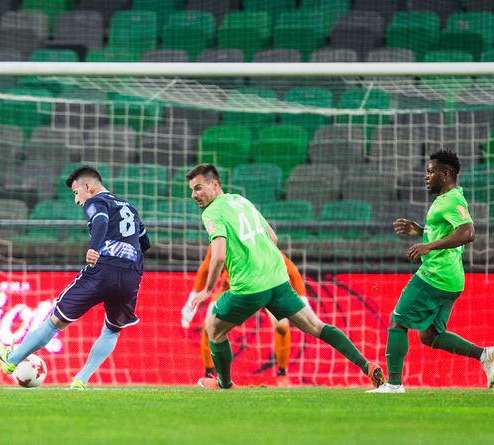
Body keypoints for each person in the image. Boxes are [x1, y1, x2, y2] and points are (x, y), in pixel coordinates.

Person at [186, 163, 384, 390]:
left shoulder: (211, 212)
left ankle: (225, 384)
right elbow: (273, 237)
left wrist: (206, 290)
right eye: (192, 190)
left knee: (213, 328)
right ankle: (366, 365)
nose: (194, 195)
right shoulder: (241, 200)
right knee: (316, 326)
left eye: (199, 188)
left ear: (215, 184)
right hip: (278, 280)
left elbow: (218, 256)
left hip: (249, 288)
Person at [0, 165, 150, 390]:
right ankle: (81, 379)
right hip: (131, 275)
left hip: (102, 268)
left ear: (88, 186)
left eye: (76, 193)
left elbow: (101, 221)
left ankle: (11, 360)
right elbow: (145, 243)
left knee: (55, 321)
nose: (77, 200)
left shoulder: (96, 201)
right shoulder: (130, 208)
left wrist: (95, 247)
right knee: (112, 329)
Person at [369, 150, 494, 393]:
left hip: (434, 275)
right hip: (451, 280)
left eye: (430, 172)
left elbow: (467, 233)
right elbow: (447, 230)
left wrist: (428, 245)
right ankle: (485, 355)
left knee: (398, 321)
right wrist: (421, 231)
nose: (426, 176)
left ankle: (393, 384)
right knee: (430, 336)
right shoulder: (447, 198)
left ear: (446, 173)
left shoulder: (452, 200)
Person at [182, 246, 308, 386]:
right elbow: (205, 269)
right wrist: (190, 302)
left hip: (265, 289)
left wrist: (304, 304)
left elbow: (292, 272)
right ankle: (209, 374)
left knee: (282, 327)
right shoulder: (220, 244)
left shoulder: (258, 242)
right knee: (208, 327)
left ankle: (282, 374)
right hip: (232, 290)